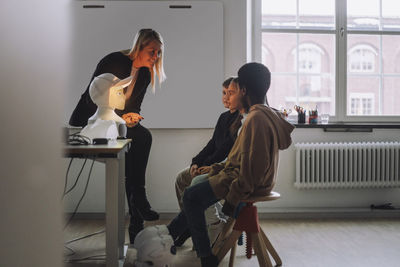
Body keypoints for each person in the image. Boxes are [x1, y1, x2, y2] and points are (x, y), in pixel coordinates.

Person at [164, 62, 295, 267]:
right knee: (192, 192)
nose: (230, 95)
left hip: (245, 182)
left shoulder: (256, 119)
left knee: (191, 197)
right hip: (239, 175)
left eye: (235, 89)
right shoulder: (261, 114)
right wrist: (215, 168)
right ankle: (171, 235)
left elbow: (253, 170)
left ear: (244, 90)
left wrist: (231, 201)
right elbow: (240, 159)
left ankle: (203, 255)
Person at [69, 29, 167, 243]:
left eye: (158, 53)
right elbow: (97, 95)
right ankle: (138, 209)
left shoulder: (145, 74)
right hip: (93, 116)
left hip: (118, 120)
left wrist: (132, 116)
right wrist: (123, 117)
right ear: (138, 47)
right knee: (139, 141)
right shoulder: (114, 61)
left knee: (141, 139)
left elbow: (134, 107)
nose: (155, 57)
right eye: (152, 51)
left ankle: (137, 212)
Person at [173, 77, 240, 246]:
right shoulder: (223, 117)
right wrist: (196, 162)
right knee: (181, 178)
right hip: (208, 165)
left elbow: (225, 150)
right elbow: (212, 144)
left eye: (230, 93)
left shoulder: (242, 121)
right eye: (223, 93)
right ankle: (192, 223)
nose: (226, 97)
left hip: (223, 168)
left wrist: (207, 166)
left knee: (195, 183)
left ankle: (212, 223)